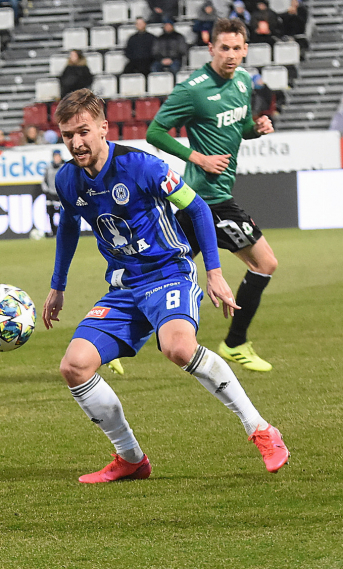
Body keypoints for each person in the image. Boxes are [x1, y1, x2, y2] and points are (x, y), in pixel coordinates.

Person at [43, 88, 289, 485]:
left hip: (168, 274)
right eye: (68, 134)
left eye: (84, 131)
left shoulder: (142, 166)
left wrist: (214, 272)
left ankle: (261, 429)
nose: (76, 142)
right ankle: (131, 459)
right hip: (124, 287)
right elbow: (69, 224)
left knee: (178, 348)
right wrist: (58, 286)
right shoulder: (68, 179)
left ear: (104, 128)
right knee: (74, 366)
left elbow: (196, 207)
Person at [147, 18, 277, 372]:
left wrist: (257, 128)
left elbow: (242, 127)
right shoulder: (193, 89)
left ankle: (110, 338)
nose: (231, 55)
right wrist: (198, 157)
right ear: (211, 49)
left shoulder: (243, 81)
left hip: (204, 198)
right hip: (209, 198)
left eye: (237, 48)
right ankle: (236, 342)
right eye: (225, 48)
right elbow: (154, 131)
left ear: (246, 49)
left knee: (162, 271)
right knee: (265, 263)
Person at [41, 149, 63, 237]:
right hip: (50, 193)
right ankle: (53, 232)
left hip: (61, 194)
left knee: (62, 214)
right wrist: (46, 191)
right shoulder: (48, 167)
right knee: (50, 213)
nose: (57, 158)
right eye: (55, 156)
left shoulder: (63, 167)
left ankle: (63, 232)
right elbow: (44, 180)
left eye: (58, 156)